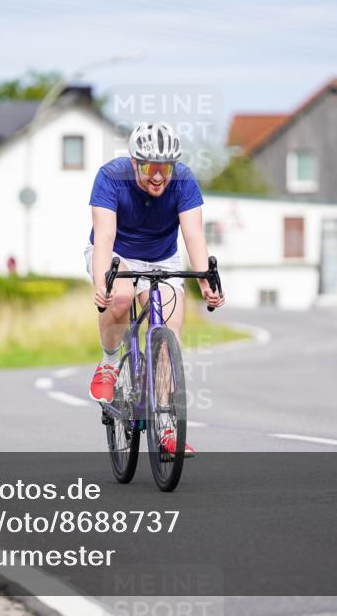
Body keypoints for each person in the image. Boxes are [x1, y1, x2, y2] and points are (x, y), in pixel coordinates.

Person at [84, 122, 225, 457]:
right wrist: (104, 280)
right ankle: (108, 362)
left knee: (168, 335)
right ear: (134, 163)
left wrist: (206, 281)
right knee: (120, 296)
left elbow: (194, 237)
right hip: (118, 254)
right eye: (150, 168)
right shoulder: (110, 177)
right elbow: (103, 237)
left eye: (166, 168)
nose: (159, 176)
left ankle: (166, 431)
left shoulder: (185, 180)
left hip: (162, 257)